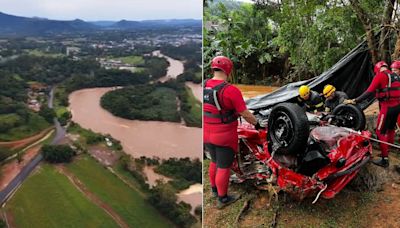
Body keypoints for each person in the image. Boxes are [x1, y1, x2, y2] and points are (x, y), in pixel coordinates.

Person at [203, 56, 258, 209]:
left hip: (206, 132)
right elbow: (245, 113)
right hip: (224, 135)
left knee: (214, 161)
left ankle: (214, 190)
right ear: (228, 70)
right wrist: (257, 123)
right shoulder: (231, 90)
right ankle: (223, 199)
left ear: (212, 68)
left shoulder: (204, 86)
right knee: (223, 166)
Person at [344, 60, 400, 168]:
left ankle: (385, 159)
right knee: (391, 128)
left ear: (377, 69)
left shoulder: (380, 76)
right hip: (397, 106)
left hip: (387, 107)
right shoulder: (395, 75)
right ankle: (388, 148)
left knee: (380, 131)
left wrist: (355, 100)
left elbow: (369, 92)